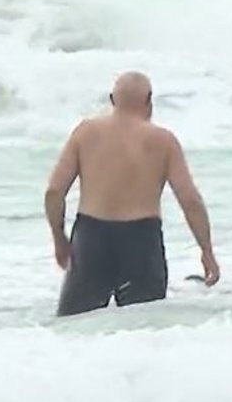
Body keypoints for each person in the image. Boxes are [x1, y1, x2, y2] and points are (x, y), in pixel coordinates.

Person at [44, 71, 220, 317]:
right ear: (149, 100)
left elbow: (54, 192)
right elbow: (190, 201)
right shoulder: (163, 141)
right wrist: (207, 251)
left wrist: (59, 238)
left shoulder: (85, 133)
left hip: (91, 240)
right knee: (144, 326)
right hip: (142, 242)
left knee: (75, 327)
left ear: (112, 100)